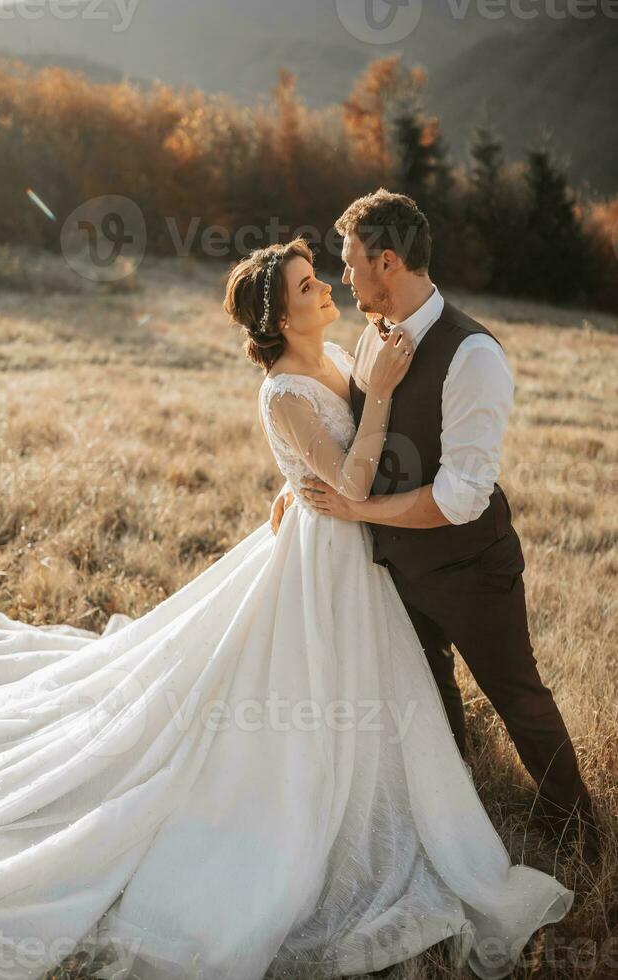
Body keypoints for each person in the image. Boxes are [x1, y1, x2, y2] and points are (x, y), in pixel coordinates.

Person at [0, 236, 574, 980]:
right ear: (283, 319)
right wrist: (373, 399)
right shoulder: (282, 389)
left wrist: (300, 471)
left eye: (321, 279)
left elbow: (337, 465)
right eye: (309, 287)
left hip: (355, 550)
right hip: (327, 557)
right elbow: (349, 486)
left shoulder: (340, 355)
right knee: (310, 694)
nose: (326, 292)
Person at [272, 191, 598, 868]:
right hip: (390, 566)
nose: (346, 278)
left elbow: (460, 499)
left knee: (517, 694)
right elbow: (349, 429)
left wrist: (359, 512)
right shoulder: (370, 333)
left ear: (386, 261)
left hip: (467, 569)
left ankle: (579, 830)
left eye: (353, 263)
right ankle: (456, 809)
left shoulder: (473, 355)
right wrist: (294, 482)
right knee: (428, 691)